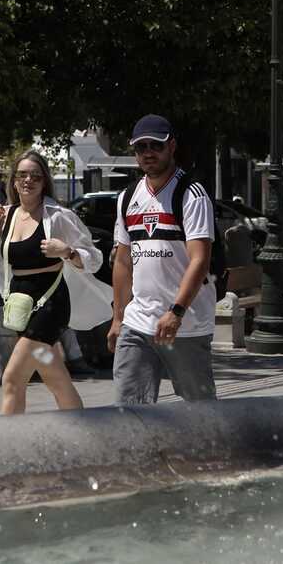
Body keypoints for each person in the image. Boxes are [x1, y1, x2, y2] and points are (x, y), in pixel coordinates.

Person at [0, 151, 103, 414]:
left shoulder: (58, 216)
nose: (28, 180)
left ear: (44, 181)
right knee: (57, 380)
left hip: (50, 304)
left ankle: (10, 440)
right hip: (21, 304)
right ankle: (84, 432)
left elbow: (94, 259)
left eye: (35, 176)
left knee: (12, 378)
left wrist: (67, 252)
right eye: (22, 175)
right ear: (13, 181)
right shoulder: (5, 216)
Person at [108, 114, 217, 404]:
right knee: (129, 409)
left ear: (171, 146)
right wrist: (118, 317)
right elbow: (123, 261)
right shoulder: (127, 197)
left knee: (200, 410)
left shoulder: (191, 194)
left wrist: (176, 312)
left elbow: (200, 260)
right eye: (141, 147)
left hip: (186, 323)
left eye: (155, 145)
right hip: (137, 323)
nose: (148, 153)